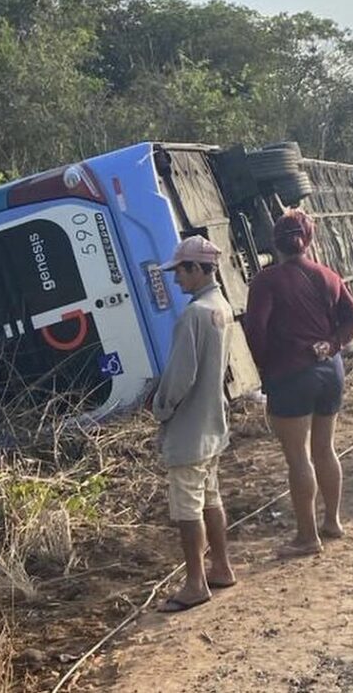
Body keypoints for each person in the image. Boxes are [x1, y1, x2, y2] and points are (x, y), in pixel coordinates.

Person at [244, 209, 353, 557]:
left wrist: (267, 369)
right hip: (330, 372)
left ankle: (306, 537)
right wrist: (333, 344)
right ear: (308, 240)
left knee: (298, 457)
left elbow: (256, 330)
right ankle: (333, 521)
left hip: (290, 374)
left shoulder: (266, 281)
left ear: (275, 243)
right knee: (325, 448)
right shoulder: (328, 275)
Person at [152, 235, 237, 611]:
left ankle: (195, 582)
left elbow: (180, 376)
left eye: (181, 270)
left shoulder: (194, 314)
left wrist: (160, 407)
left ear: (199, 269)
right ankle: (221, 566)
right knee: (211, 498)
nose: (176, 279)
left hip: (189, 429)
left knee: (187, 508)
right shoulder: (222, 307)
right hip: (213, 424)